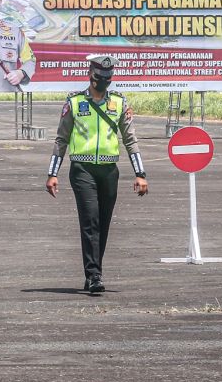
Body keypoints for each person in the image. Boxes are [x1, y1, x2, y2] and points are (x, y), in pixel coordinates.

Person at [45, 55, 148, 294]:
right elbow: (61, 139)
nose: (102, 82)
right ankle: (94, 275)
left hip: (109, 171)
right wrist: (52, 173)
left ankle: (94, 271)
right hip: (82, 169)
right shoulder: (74, 102)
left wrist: (140, 173)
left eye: (107, 78)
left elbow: (130, 140)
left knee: (103, 223)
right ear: (90, 76)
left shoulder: (120, 104)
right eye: (99, 78)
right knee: (90, 221)